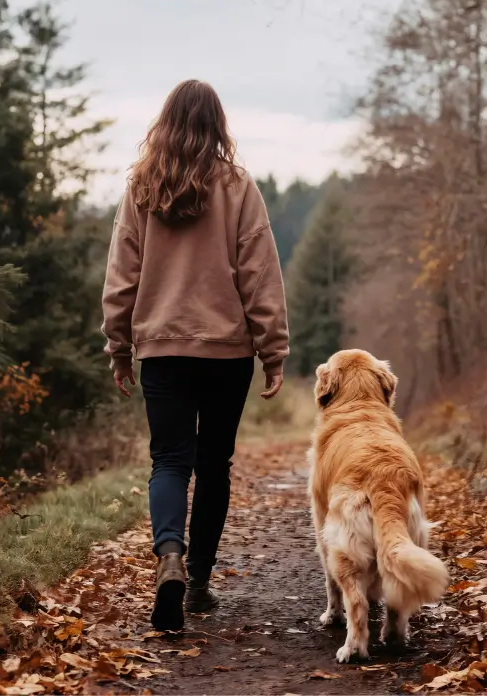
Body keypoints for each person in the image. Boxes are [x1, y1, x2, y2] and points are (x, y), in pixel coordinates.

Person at [101, 79, 289, 631]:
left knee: (168, 461)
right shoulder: (238, 186)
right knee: (213, 466)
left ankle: (170, 558)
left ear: (166, 122)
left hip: (162, 348)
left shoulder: (142, 187)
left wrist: (118, 346)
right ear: (218, 125)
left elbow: (121, 277)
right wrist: (273, 350)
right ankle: (199, 582)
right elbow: (259, 273)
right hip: (228, 350)